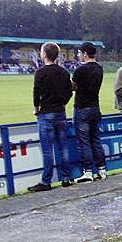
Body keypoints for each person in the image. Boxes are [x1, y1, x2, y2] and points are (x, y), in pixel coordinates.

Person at [27, 42, 74, 192]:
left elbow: (36, 93)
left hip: (46, 113)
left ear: (45, 54)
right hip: (60, 112)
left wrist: (36, 109)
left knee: (47, 150)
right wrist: (62, 103)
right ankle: (66, 178)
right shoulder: (64, 72)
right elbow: (69, 91)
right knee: (63, 147)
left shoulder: (40, 72)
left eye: (41, 51)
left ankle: (46, 181)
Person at [72, 42, 107, 183]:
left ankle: (88, 172)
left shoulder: (80, 70)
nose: (78, 55)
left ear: (85, 54)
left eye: (80, 53)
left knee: (84, 142)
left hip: (82, 108)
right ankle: (102, 169)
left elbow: (72, 86)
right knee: (96, 140)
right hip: (95, 108)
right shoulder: (99, 68)